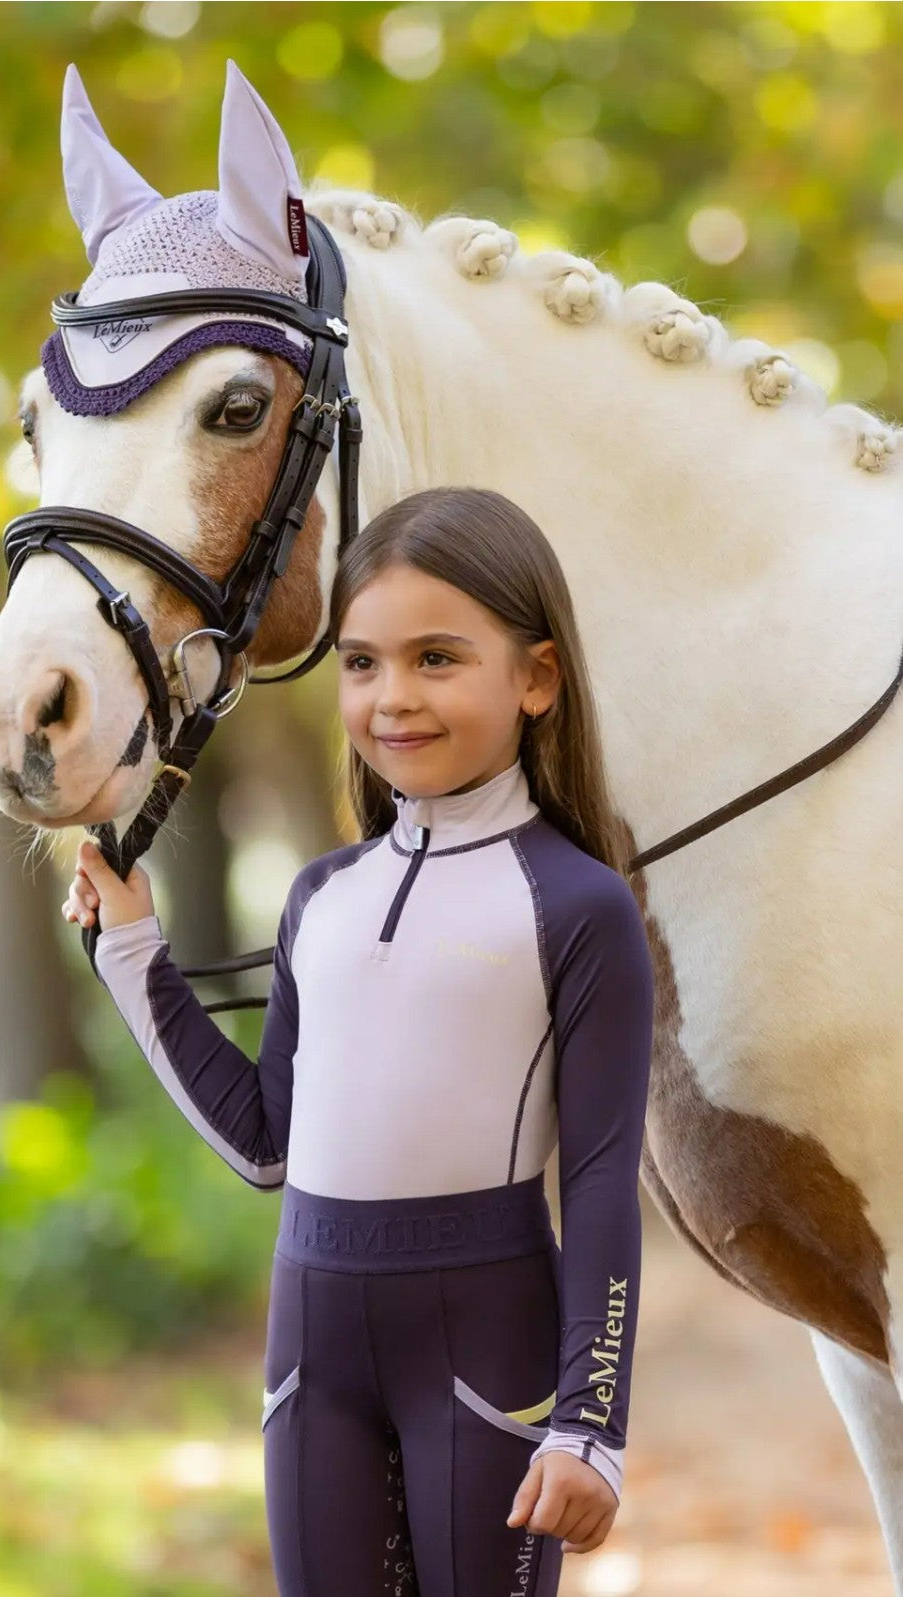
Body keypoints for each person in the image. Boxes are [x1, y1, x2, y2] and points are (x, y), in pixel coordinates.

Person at [63, 486, 656, 1597]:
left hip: (490, 1352)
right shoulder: (319, 898)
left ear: (535, 679)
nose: (394, 698)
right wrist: (135, 951)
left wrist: (592, 1425)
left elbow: (602, 1181)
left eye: (438, 659)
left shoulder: (577, 905)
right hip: (311, 1357)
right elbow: (265, 1148)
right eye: (363, 662)